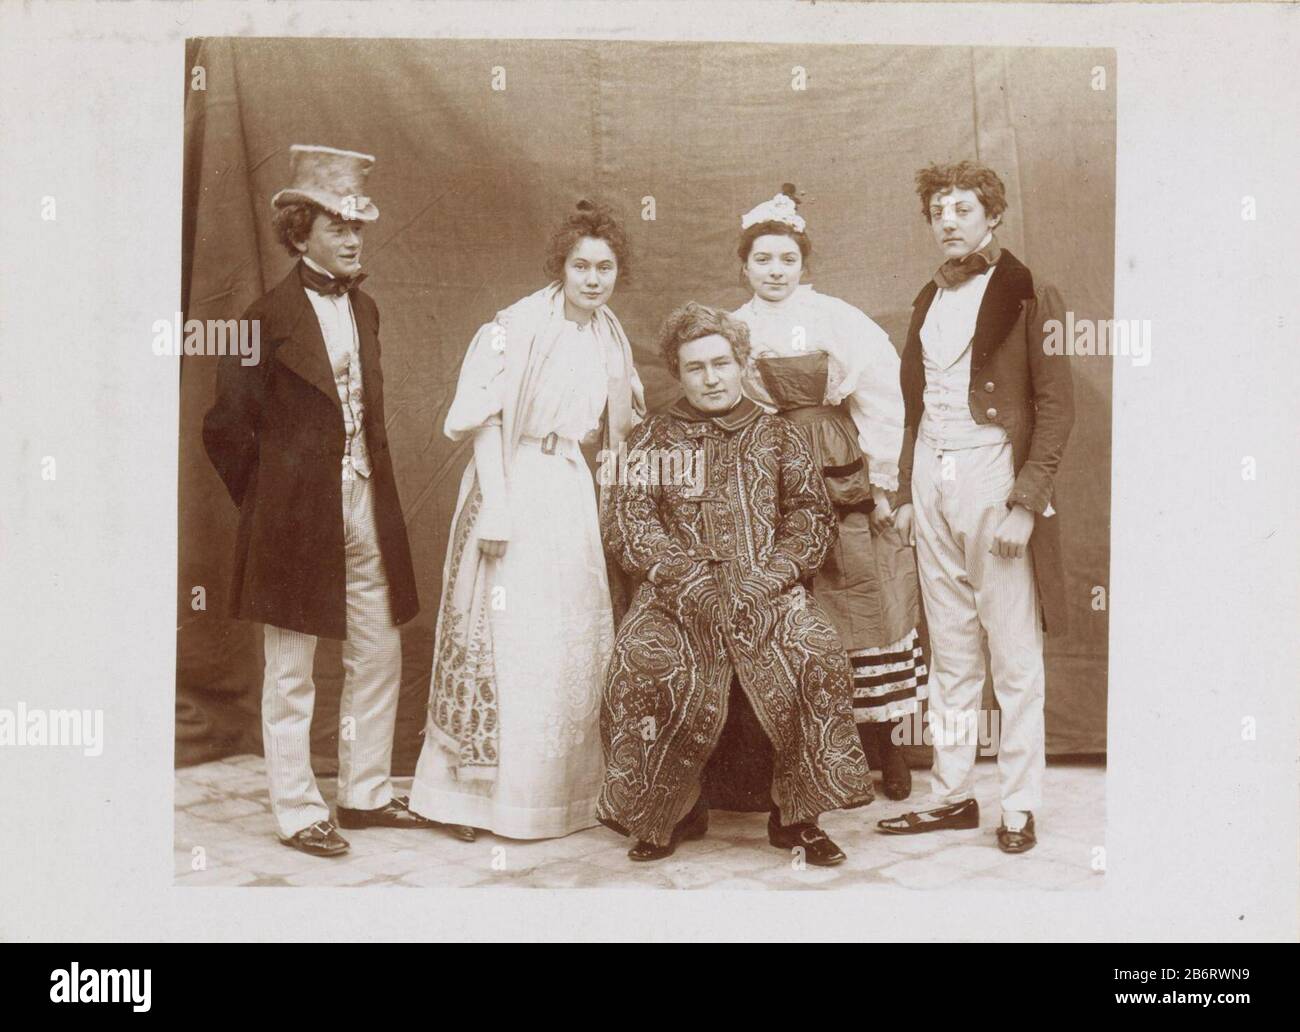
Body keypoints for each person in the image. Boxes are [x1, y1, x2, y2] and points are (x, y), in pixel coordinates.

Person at [202, 144, 429, 857]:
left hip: (366, 501)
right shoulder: (260, 318)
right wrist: (272, 501)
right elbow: (224, 430)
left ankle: (363, 793)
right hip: (294, 514)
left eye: (359, 226)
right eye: (339, 226)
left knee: (379, 650)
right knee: (292, 669)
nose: (355, 238)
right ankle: (298, 808)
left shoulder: (366, 309)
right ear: (301, 233)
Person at [597, 302, 872, 867]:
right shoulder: (655, 438)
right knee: (641, 660)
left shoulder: (778, 435)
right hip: (677, 598)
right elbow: (630, 522)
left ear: (741, 363)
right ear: (678, 371)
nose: (711, 378)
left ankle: (797, 815)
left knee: (813, 652)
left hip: (767, 593)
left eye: (721, 363)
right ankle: (667, 810)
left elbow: (810, 517)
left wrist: (767, 578)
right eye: (696, 367)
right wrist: (686, 580)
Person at [409, 201, 645, 841]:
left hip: (569, 486)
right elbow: (484, 419)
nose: (593, 279)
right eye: (581, 266)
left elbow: (620, 430)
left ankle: (556, 800)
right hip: (511, 478)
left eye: (605, 267)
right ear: (560, 268)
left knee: (561, 641)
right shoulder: (514, 327)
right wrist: (498, 505)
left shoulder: (609, 337)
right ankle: (467, 801)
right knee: (503, 636)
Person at [877, 160, 1074, 853]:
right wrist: (907, 491)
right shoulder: (927, 299)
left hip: (995, 475)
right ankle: (952, 795)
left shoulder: (1028, 292)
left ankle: (1019, 804)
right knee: (952, 653)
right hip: (933, 475)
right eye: (938, 211)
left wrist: (1027, 502)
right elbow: (912, 404)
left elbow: (1055, 406)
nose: (949, 221)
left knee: (1015, 655)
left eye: (963, 209)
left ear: (993, 217)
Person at [730, 185, 927, 801]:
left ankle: (887, 750)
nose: (775, 271)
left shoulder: (837, 318)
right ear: (744, 265)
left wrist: (881, 481)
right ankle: (794, 756)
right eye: (762, 259)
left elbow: (882, 398)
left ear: (803, 264)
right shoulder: (732, 328)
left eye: (786, 259)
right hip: (767, 467)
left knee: (859, 593)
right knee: (787, 599)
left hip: (837, 463)